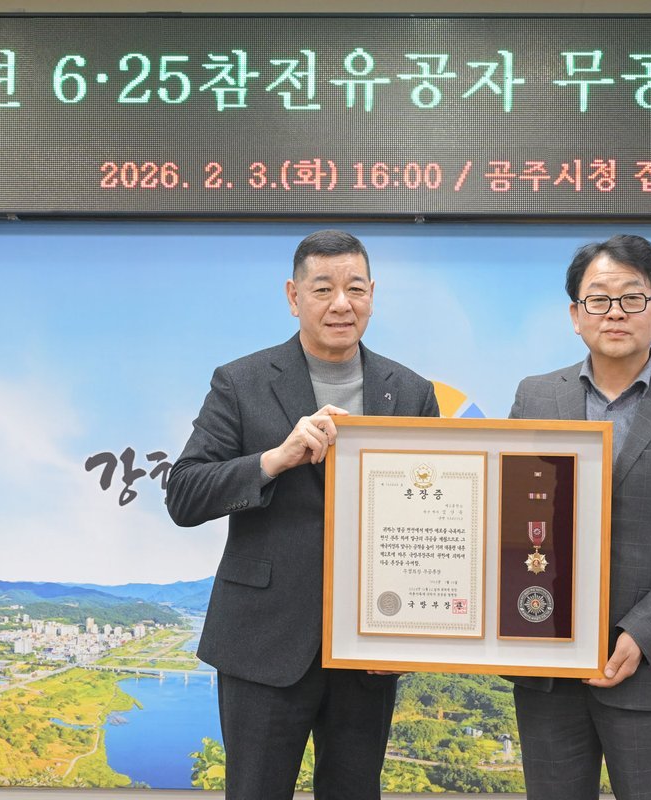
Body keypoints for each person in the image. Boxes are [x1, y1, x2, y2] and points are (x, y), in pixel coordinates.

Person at [166, 229, 439, 800]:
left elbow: (433, 522)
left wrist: (409, 636)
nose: (341, 303)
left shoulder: (411, 391)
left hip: (369, 644)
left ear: (372, 295)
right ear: (294, 297)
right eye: (322, 289)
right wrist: (274, 459)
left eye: (355, 289)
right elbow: (184, 494)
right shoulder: (240, 382)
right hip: (262, 641)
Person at [508, 234, 651, 800]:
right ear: (575, 315)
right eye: (598, 298)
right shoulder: (535, 397)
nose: (614, 312)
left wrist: (640, 633)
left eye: (632, 298)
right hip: (547, 669)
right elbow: (509, 520)